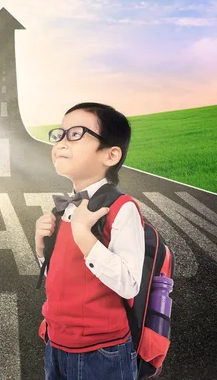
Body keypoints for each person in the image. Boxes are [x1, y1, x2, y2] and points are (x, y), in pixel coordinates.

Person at [35, 102, 145, 380]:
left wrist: (85, 238)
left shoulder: (122, 208)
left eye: (75, 134)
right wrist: (41, 249)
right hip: (57, 341)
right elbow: (63, 275)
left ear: (110, 155)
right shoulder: (63, 208)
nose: (61, 142)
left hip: (102, 350)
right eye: (59, 134)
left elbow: (130, 284)